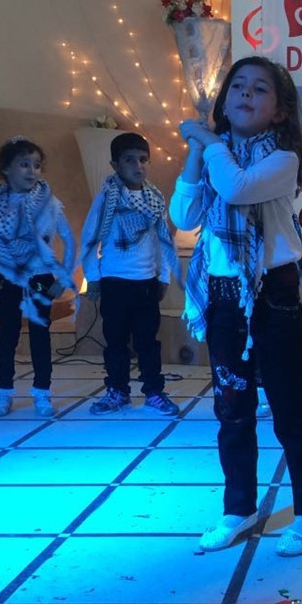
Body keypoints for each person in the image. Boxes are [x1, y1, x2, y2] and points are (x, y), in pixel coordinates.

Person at [170, 55, 302, 556]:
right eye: (238, 85)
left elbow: (236, 188)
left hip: (271, 293)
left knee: (288, 407)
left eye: (260, 89)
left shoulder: (281, 160)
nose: (245, 93)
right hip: (222, 293)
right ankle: (238, 507)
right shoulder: (217, 154)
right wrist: (197, 151)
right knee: (232, 407)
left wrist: (208, 141)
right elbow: (184, 214)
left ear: (280, 110)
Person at [80, 132, 182, 416]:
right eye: (129, 160)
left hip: (146, 282)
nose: (138, 166)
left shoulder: (154, 198)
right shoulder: (107, 198)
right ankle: (118, 391)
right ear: (115, 165)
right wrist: (93, 276)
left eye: (143, 159)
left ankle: (154, 392)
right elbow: (89, 238)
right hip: (115, 282)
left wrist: (163, 277)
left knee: (148, 341)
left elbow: (163, 241)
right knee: (116, 341)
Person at [0, 137, 75, 418]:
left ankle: (42, 393)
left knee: (40, 335)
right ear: (6, 169)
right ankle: (3, 393)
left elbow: (69, 240)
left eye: (37, 165)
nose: (32, 171)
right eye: (24, 164)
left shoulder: (49, 202)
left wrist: (63, 278)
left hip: (41, 278)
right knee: (7, 336)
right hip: (8, 278)